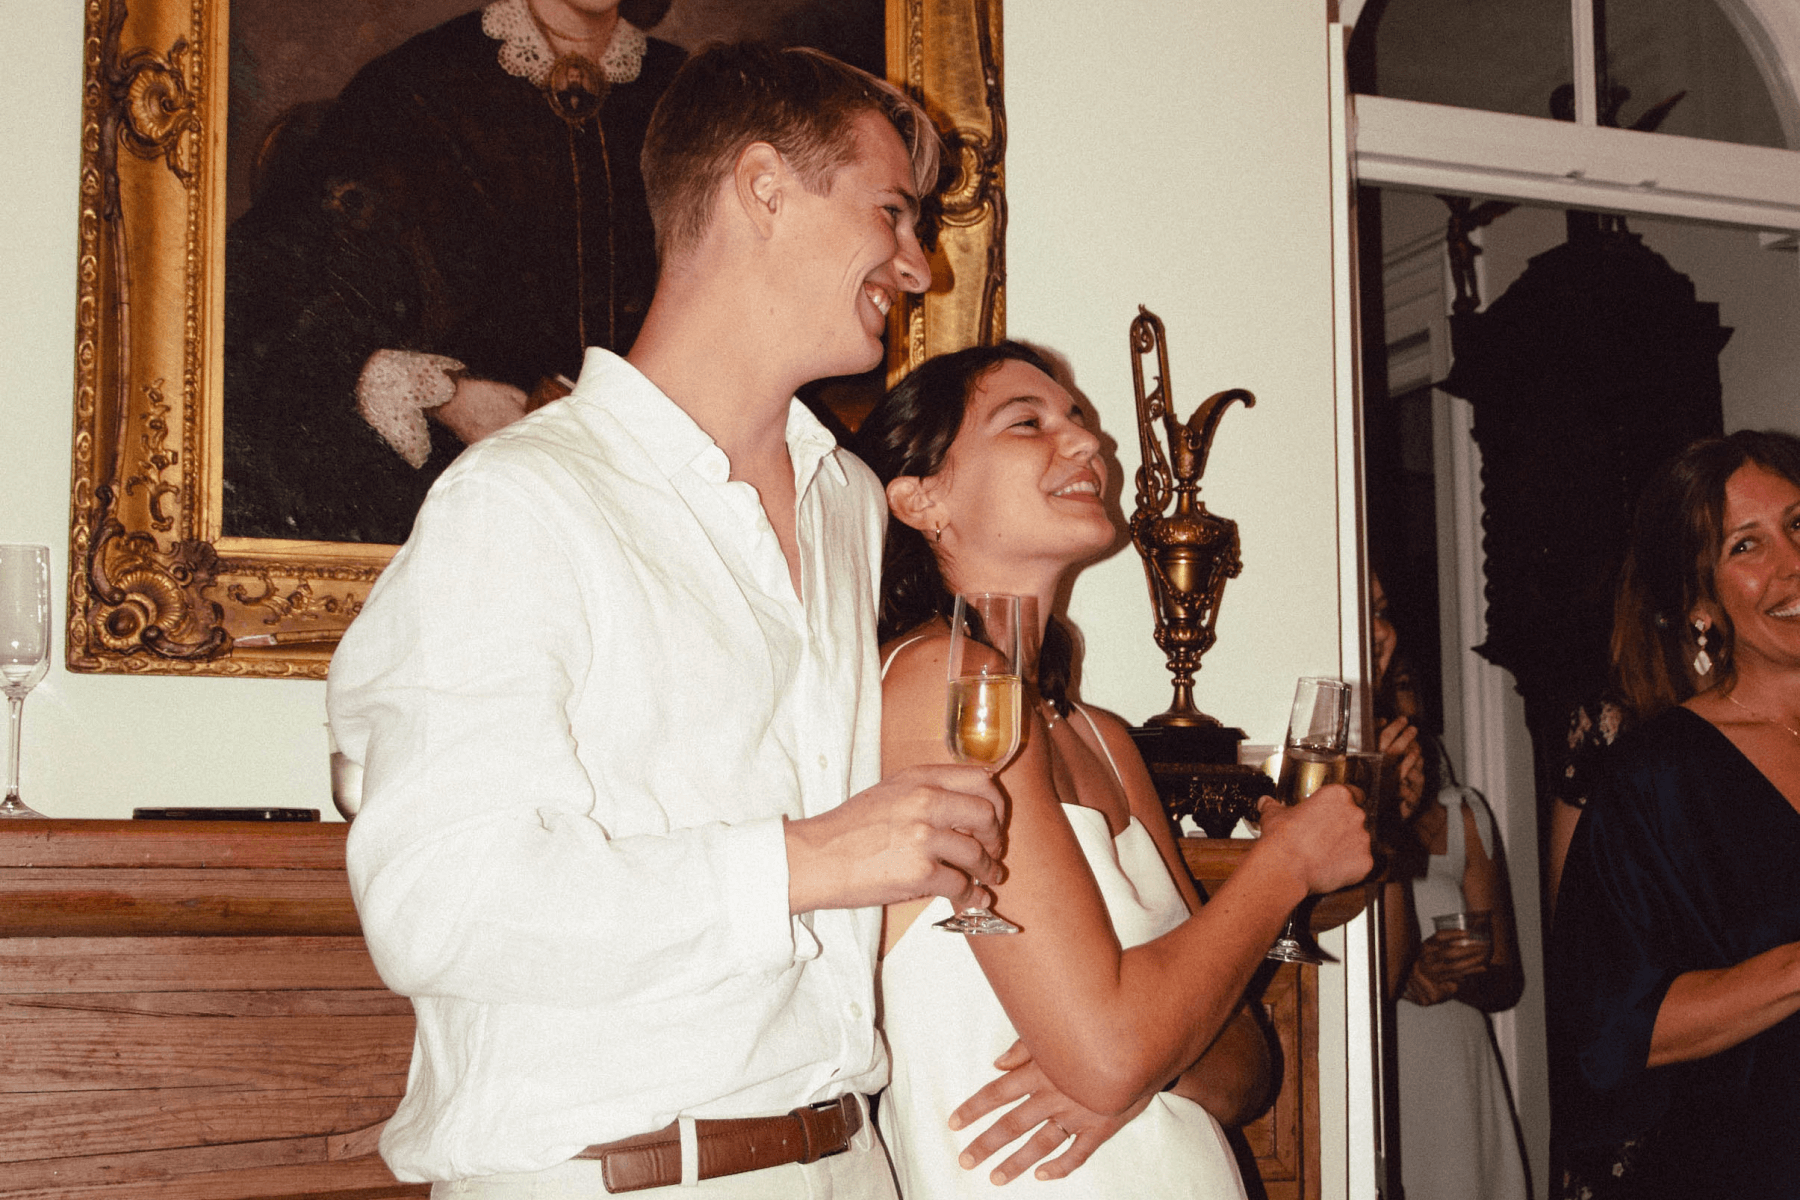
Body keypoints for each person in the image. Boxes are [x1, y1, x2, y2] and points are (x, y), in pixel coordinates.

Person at [328, 43, 1016, 1198]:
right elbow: (441, 906)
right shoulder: (523, 500)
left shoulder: (846, 499)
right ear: (762, 189)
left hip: (852, 1160)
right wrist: (806, 863)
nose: (918, 266)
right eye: (893, 213)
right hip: (615, 1177)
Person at [850, 342, 1373, 1197]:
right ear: (919, 498)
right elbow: (1116, 1050)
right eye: (1030, 422)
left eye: (1084, 421)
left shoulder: (1100, 738)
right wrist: (1287, 865)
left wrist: (1130, 1069)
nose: (1090, 444)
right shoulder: (937, 687)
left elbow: (1246, 1068)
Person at [225, 0, 681, 544]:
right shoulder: (415, 88)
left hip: (659, 507)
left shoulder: (696, 94)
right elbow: (267, 320)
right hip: (474, 508)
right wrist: (444, 395)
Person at [1550, 430, 1800, 1200]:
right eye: (1746, 547)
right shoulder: (1655, 776)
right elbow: (1608, 1032)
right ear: (1701, 603)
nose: (1791, 564)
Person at [1369, 579, 1529, 1200]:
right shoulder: (1351, 809)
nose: (1402, 702)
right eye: (1392, 686)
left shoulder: (1466, 815)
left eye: (1411, 685)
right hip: (1393, 1061)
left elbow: (1508, 979)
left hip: (1458, 1060)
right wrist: (1402, 979)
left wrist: (1458, 977)